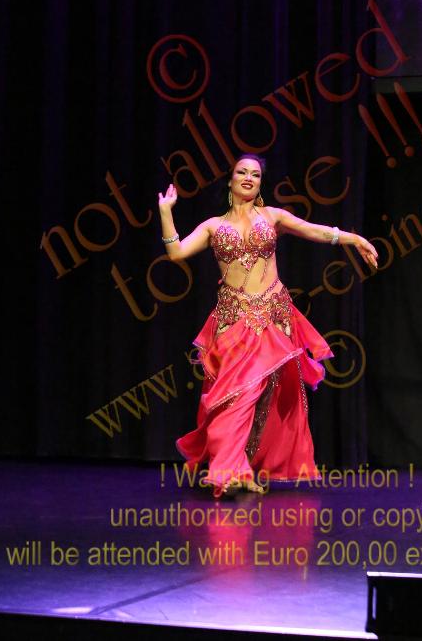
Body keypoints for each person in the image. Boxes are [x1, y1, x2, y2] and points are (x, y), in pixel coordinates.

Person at [158, 154, 378, 497]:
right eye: (242, 172)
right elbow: (177, 253)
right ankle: (232, 468)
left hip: (273, 317)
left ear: (260, 183)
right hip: (233, 321)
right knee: (234, 396)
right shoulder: (213, 226)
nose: (249, 177)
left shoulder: (272, 216)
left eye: (256, 174)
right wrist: (166, 212)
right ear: (230, 180)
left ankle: (237, 469)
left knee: (261, 395)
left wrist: (355, 239)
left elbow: (314, 230)